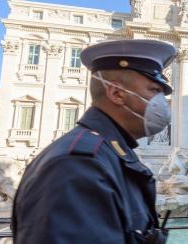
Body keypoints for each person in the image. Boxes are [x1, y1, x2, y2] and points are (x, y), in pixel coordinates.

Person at [12, 40, 177, 243]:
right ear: (117, 94)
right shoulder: (77, 165)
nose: (162, 102)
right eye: (154, 90)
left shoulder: (110, 155)